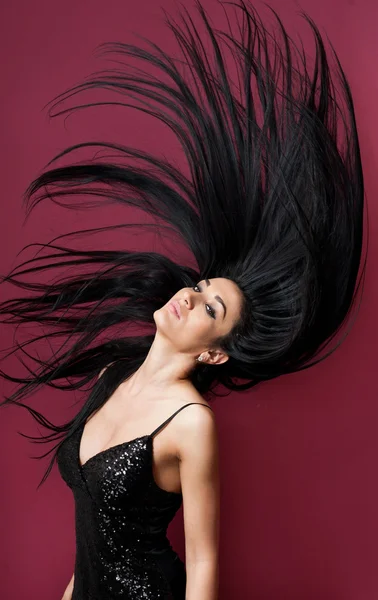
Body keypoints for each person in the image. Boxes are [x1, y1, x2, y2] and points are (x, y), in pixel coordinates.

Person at [0, 1, 367, 599]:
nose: (190, 299)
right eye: (199, 288)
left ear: (217, 354)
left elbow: (202, 569)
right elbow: (91, 541)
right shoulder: (112, 378)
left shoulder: (191, 425)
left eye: (211, 309)